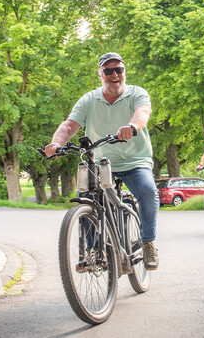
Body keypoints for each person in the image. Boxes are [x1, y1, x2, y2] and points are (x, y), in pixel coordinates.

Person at [45, 52, 160, 270]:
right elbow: (69, 126)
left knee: (147, 190)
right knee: (87, 198)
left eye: (119, 70)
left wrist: (132, 127)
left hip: (135, 161)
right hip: (100, 162)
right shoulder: (89, 99)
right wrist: (56, 144)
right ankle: (94, 251)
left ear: (124, 72)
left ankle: (148, 242)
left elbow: (142, 113)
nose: (115, 75)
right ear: (100, 75)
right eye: (109, 71)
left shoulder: (137, 93)